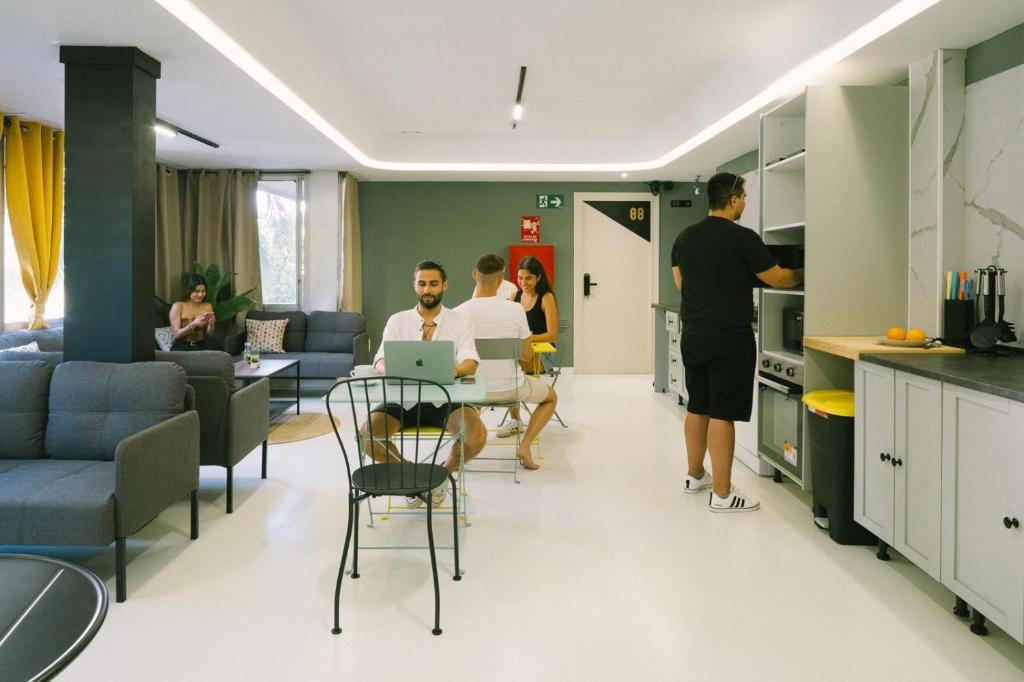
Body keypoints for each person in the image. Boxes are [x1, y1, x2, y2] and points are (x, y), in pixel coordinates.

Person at [671, 172, 803, 513]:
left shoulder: (684, 237)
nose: (744, 202)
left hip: (694, 334)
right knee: (723, 413)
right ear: (732, 199)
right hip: (729, 336)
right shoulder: (743, 238)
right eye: (743, 196)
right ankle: (724, 494)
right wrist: (805, 272)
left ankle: (694, 475)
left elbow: (680, 283)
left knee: (698, 404)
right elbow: (776, 277)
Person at [362, 260, 487, 508]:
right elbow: (379, 360)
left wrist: (454, 370)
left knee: (476, 436)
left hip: (446, 399)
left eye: (433, 284)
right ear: (414, 286)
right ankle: (415, 478)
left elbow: (470, 361)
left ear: (444, 285)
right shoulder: (397, 321)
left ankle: (441, 477)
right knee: (367, 436)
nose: (427, 290)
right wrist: (390, 369)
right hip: (402, 401)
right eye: (422, 284)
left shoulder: (460, 321)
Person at [456, 254, 558, 471]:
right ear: (502, 278)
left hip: (471, 393)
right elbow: (528, 357)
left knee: (457, 406)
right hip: (511, 390)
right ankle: (525, 446)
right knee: (550, 397)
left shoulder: (457, 313)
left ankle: (464, 446)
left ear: (475, 274)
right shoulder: (515, 309)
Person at [502, 256, 560, 436]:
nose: (523, 282)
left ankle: (514, 420)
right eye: (520, 278)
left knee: (509, 370)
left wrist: (528, 339)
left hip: (542, 354)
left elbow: (553, 334)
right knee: (507, 366)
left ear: (538, 278)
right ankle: (515, 419)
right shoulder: (514, 296)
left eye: (528, 278)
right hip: (521, 350)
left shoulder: (546, 298)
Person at [169, 274, 216, 351]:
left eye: (203, 291)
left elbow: (209, 334)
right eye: (196, 291)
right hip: (182, 347)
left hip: (201, 346)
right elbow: (176, 334)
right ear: (189, 291)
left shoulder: (207, 306)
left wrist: (211, 324)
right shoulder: (178, 306)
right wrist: (194, 324)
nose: (200, 295)